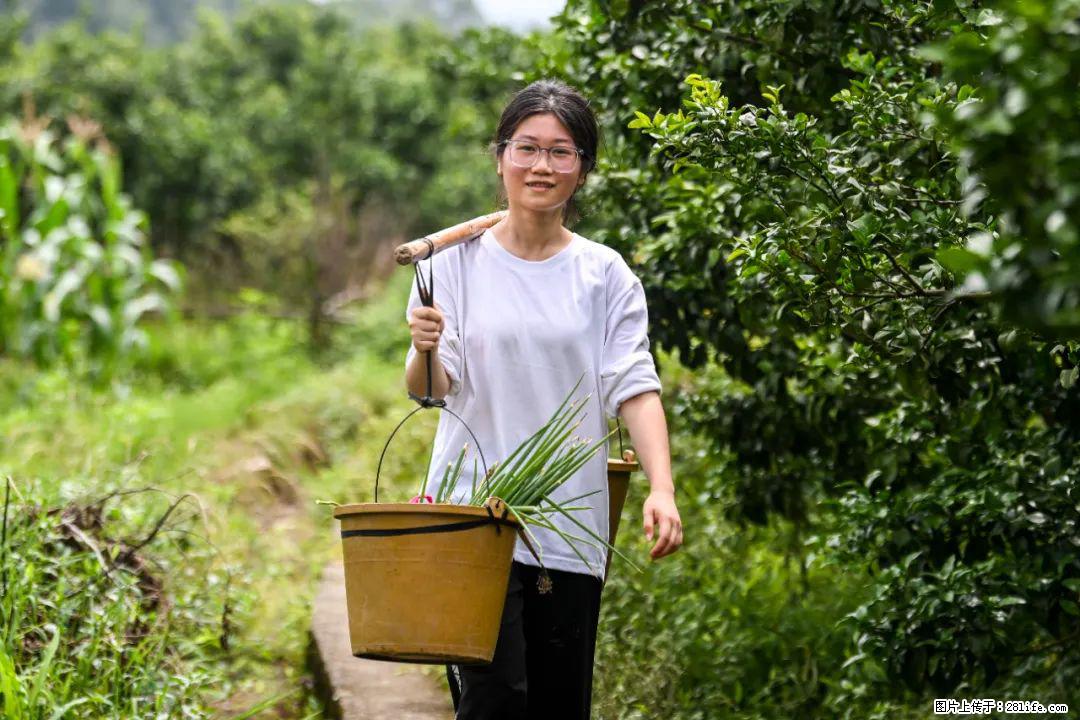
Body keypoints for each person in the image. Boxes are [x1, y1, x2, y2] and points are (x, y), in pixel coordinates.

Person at [404, 78, 683, 720]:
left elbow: (634, 386)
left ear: (582, 170)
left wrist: (661, 487)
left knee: (559, 705)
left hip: (570, 524)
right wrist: (422, 346)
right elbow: (428, 394)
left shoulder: (605, 274)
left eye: (562, 152)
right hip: (472, 519)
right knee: (492, 701)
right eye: (527, 148)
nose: (542, 166)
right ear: (500, 156)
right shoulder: (447, 266)